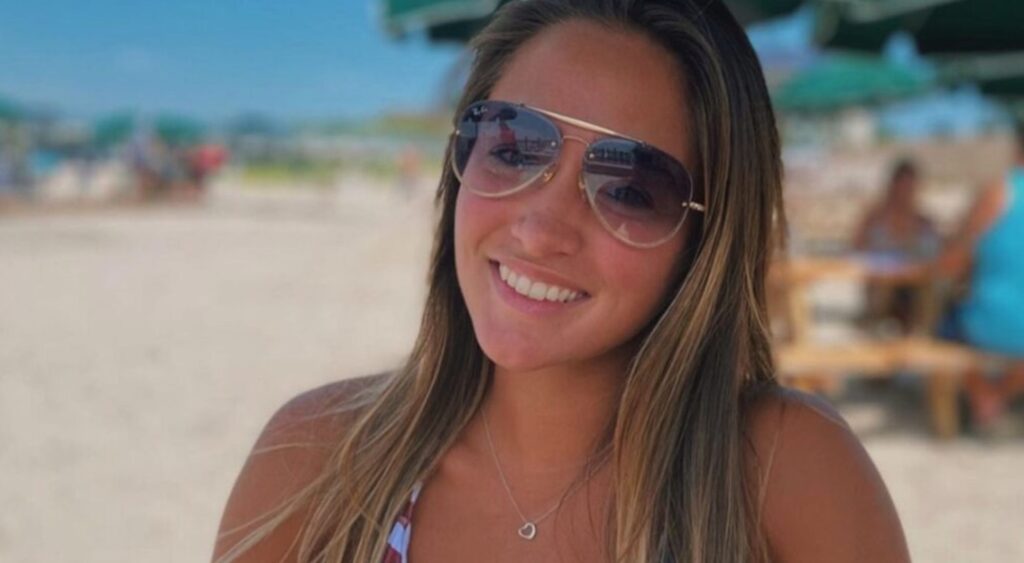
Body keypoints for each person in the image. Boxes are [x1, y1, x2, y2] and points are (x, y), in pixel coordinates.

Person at [213, 2, 909, 562]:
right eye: (512, 147)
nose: (542, 229)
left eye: (633, 190)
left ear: (708, 240)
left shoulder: (781, 474)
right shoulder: (315, 461)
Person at [935, 124, 1024, 429]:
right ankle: (999, 395)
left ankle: (987, 399)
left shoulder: (1000, 192)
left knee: (939, 329)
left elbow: (951, 263)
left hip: (996, 323)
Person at [853, 158, 940, 334]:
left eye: (910, 187)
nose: (906, 192)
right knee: (885, 288)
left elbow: (937, 252)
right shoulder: (874, 218)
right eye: (902, 186)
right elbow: (856, 250)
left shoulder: (924, 221)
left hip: (913, 287)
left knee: (929, 291)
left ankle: (923, 336)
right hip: (881, 287)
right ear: (892, 186)